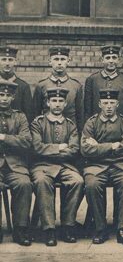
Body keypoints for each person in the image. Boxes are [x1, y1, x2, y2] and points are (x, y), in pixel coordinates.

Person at [81, 89, 123, 247]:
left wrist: (98, 147)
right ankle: (100, 228)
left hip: (120, 165)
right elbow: (85, 149)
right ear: (100, 104)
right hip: (96, 167)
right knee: (92, 185)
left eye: (112, 103)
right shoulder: (91, 123)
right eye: (105, 103)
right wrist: (112, 146)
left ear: (117, 104)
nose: (109, 106)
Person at [30, 88, 84, 246]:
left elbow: (74, 149)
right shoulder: (38, 123)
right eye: (54, 101)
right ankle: (49, 229)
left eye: (61, 101)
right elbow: (37, 148)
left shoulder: (70, 125)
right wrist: (60, 147)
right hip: (41, 166)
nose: (57, 104)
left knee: (78, 181)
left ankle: (68, 226)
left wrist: (49, 151)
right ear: (48, 103)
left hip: (65, 166)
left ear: (65, 104)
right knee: (42, 181)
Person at [0, 80, 32, 246]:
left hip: (15, 165)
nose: (4, 98)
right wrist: (15, 140)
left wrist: (4, 137)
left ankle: (20, 229)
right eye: (1, 94)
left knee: (24, 184)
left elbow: (26, 141)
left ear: (13, 97)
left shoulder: (20, 117)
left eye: (8, 95)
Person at [84, 45, 123, 129]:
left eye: (114, 57)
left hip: (121, 127)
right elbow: (88, 108)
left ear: (118, 60)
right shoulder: (92, 80)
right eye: (108, 58)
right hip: (97, 127)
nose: (111, 61)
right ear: (102, 60)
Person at [33, 47, 84, 133]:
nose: (59, 63)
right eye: (56, 59)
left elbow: (80, 115)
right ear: (50, 61)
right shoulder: (41, 85)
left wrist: (79, 134)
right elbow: (35, 113)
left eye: (63, 59)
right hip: (47, 132)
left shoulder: (76, 86)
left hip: (70, 132)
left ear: (68, 61)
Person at [0, 46, 33, 123]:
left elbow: (29, 115)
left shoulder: (23, 86)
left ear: (15, 61)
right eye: (4, 59)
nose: (7, 63)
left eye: (10, 60)